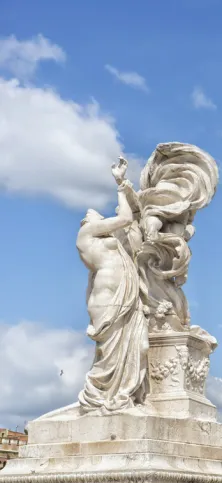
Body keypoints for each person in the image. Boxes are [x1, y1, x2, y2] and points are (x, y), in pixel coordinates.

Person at [76, 157, 149, 413]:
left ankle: (123, 394)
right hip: (108, 301)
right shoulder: (87, 234)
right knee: (109, 356)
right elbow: (127, 217)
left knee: (140, 346)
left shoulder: (110, 240)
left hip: (125, 299)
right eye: (90, 215)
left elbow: (135, 213)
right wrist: (119, 185)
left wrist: (126, 186)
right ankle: (101, 397)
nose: (90, 211)